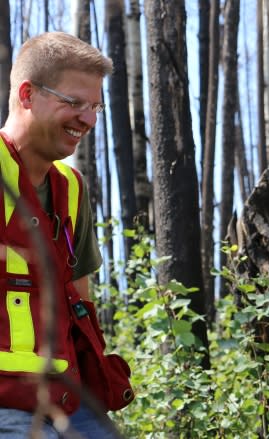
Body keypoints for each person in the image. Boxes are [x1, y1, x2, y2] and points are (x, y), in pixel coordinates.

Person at [0, 32, 130, 438]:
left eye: (95, 107)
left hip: (69, 401)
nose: (88, 120)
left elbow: (81, 296)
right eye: (74, 103)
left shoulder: (72, 189)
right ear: (27, 94)